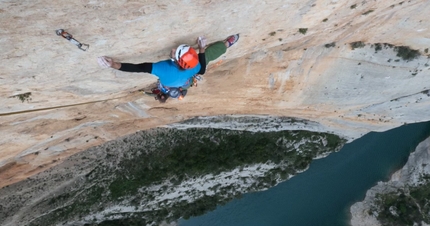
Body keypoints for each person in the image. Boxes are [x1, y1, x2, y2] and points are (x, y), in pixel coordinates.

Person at [98, 34, 239, 102]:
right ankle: (226, 44)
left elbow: (138, 68)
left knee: (202, 63)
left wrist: (114, 65)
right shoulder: (194, 67)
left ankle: (227, 44)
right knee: (208, 56)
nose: (173, 49)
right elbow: (201, 68)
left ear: (175, 59)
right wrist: (201, 48)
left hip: (184, 82)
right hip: (184, 81)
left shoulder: (163, 69)